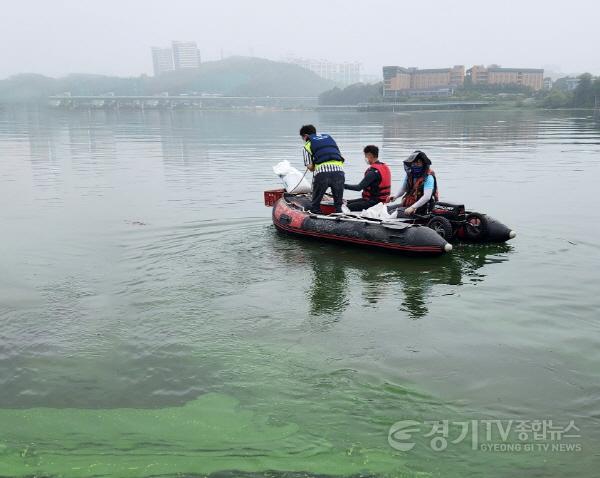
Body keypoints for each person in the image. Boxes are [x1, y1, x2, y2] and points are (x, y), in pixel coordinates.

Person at [300, 124, 345, 214]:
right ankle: (338, 215)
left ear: (306, 136)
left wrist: (314, 163)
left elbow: (310, 168)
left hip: (323, 175)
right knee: (338, 206)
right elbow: (341, 157)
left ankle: (316, 216)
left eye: (302, 138)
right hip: (339, 173)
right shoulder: (329, 140)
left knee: (315, 206)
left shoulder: (307, 145)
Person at [389, 150, 438, 217]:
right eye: (413, 163)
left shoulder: (428, 177)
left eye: (418, 163)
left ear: (423, 164)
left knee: (394, 213)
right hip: (409, 204)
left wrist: (413, 207)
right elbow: (403, 189)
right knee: (388, 209)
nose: (415, 165)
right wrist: (395, 196)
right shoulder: (410, 175)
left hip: (422, 207)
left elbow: (427, 197)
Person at [344, 145, 391, 211]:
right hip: (378, 200)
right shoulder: (384, 166)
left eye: (365, 155)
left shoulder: (373, 172)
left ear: (370, 155)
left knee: (345, 207)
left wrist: (342, 185)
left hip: (374, 202)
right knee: (346, 202)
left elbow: (358, 188)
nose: (365, 158)